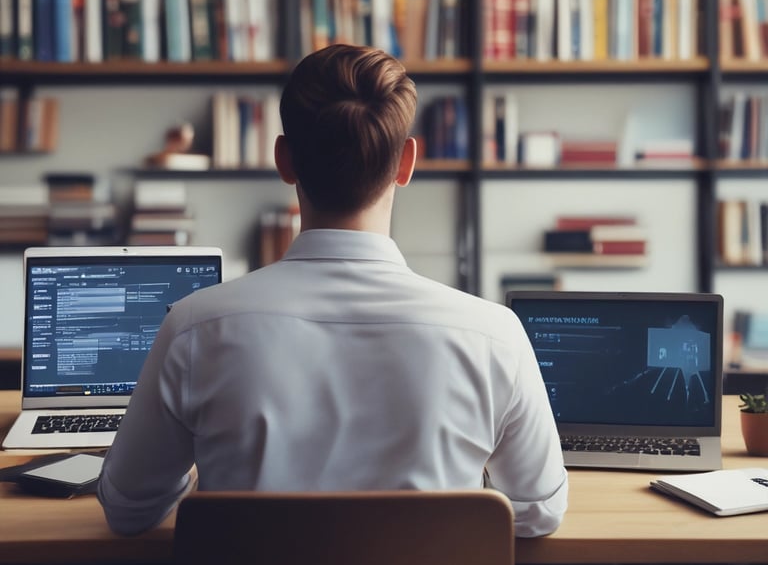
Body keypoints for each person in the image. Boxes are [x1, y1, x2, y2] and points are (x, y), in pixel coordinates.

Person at [97, 44, 568, 539]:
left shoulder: (194, 328)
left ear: (284, 160)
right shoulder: (495, 335)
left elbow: (128, 511)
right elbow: (539, 513)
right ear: (407, 163)